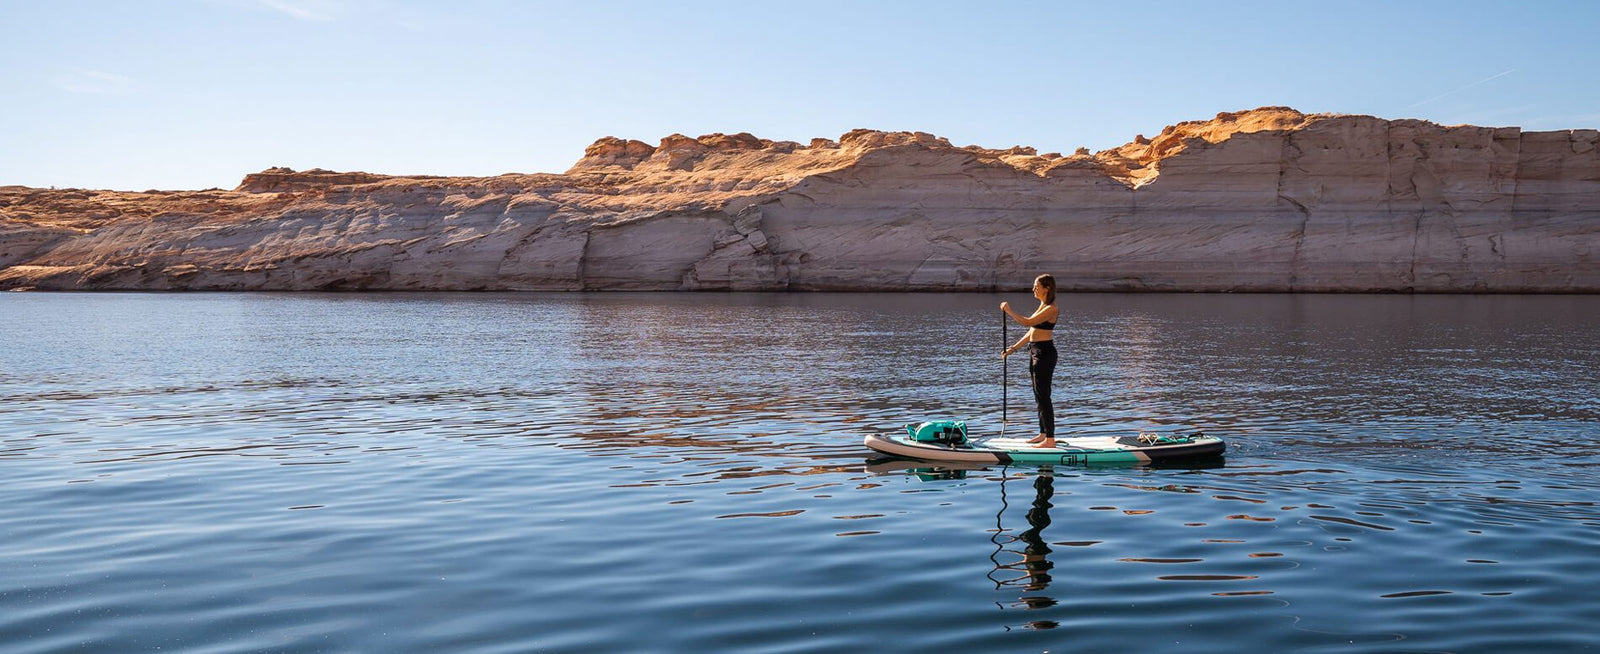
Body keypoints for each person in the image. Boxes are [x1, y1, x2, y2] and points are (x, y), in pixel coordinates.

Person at [1001, 274, 1060, 448]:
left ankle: (1050, 440)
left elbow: (1027, 323)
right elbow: (1031, 332)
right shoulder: (1042, 306)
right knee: (1038, 395)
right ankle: (1043, 434)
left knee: (1044, 396)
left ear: (1046, 288)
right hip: (1035, 352)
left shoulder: (1051, 308)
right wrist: (1013, 348)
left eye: (1036, 286)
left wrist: (1009, 310)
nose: (1033, 289)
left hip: (1045, 353)